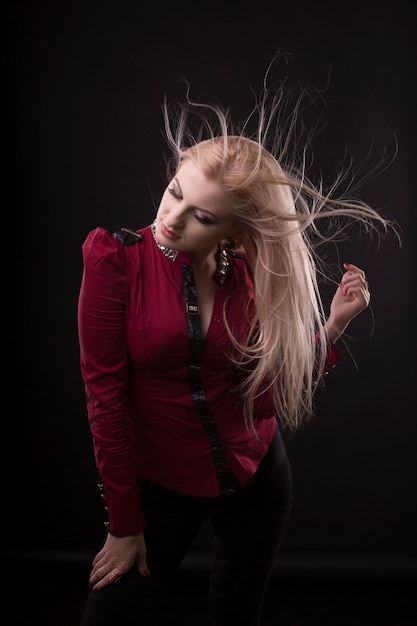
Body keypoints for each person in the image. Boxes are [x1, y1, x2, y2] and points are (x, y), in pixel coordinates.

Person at [77, 75, 397, 625]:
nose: (172, 219)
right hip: (159, 490)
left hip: (258, 477)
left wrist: (333, 328)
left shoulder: (243, 274)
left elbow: (262, 395)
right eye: (176, 191)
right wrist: (125, 525)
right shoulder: (114, 264)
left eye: (202, 215)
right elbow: (104, 399)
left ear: (232, 232)